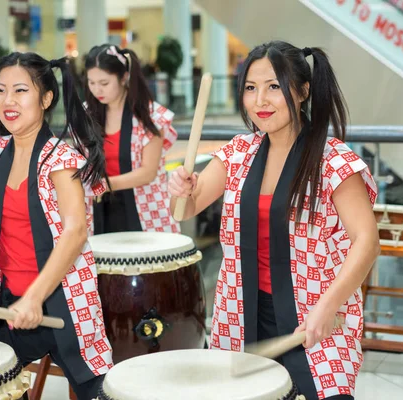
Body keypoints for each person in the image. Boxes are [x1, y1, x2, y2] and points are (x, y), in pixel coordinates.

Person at [169, 41, 380, 400]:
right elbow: (185, 209)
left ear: (302, 91)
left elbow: (367, 241)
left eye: (273, 87)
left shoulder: (333, 162)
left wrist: (328, 307)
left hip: (315, 313)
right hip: (240, 310)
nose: (260, 101)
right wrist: (181, 188)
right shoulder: (239, 152)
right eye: (251, 88)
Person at [0, 52, 112, 400]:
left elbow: (75, 231)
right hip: (6, 306)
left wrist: (34, 298)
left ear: (46, 98)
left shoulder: (61, 158)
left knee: (98, 392)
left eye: (20, 90)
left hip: (65, 305)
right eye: (0, 91)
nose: (8, 101)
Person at [84, 44, 180, 234]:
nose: (97, 90)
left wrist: (105, 185)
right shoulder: (86, 113)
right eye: (91, 82)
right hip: (98, 210)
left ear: (124, 77)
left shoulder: (149, 115)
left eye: (104, 83)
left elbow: (148, 172)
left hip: (145, 208)